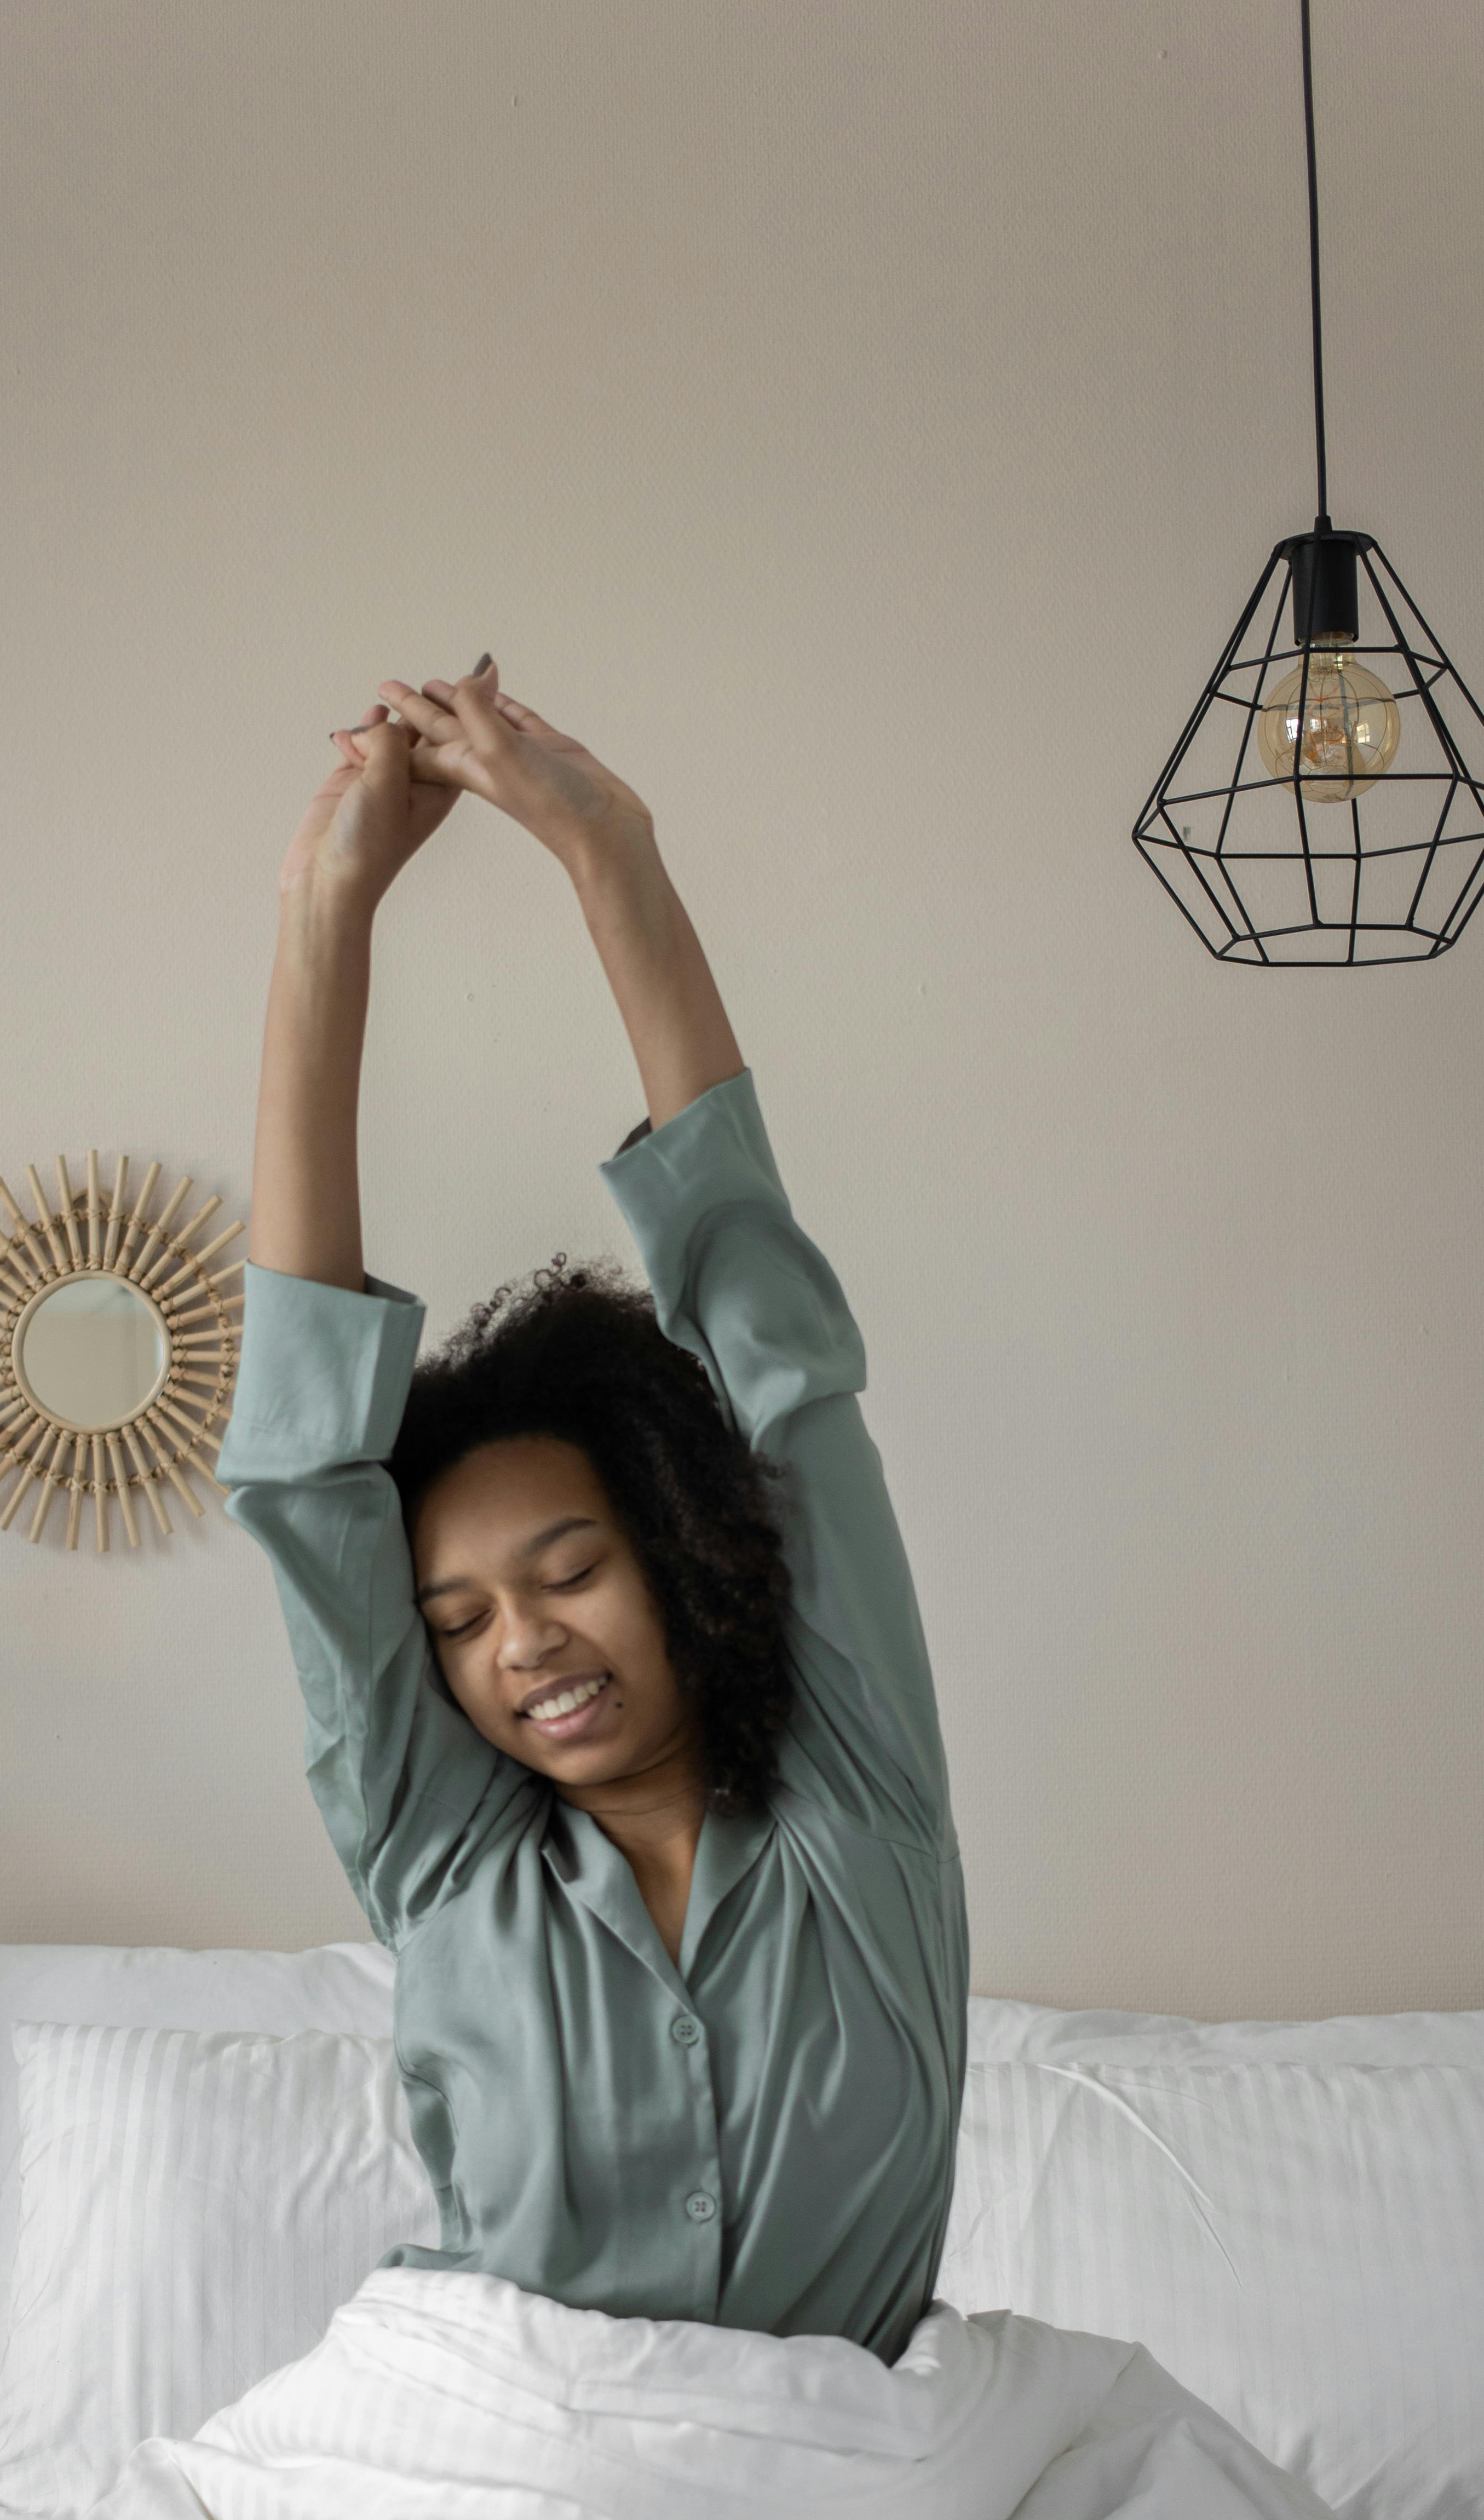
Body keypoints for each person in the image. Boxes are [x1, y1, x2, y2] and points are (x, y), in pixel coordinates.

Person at [217, 660, 968, 2364]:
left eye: (568, 1572)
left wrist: (607, 853)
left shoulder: (865, 1800)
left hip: (842, 2507)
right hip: (509, 2505)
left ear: (687, 1555)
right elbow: (297, 1468)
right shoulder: (447, 1853)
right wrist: (326, 910)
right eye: (460, 1623)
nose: (522, 1643)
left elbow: (773, 1341)